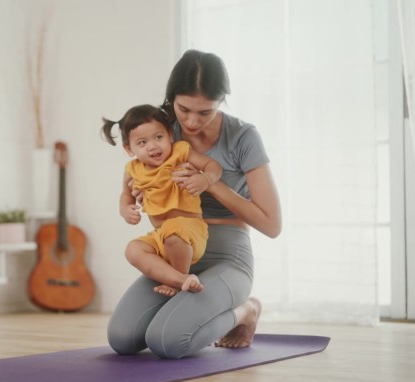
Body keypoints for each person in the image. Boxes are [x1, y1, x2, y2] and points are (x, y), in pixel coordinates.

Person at [107, 49, 282, 359]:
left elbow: (272, 225)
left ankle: (246, 310)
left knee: (168, 341)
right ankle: (187, 294)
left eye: (205, 112)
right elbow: (158, 209)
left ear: (221, 101)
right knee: (123, 338)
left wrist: (211, 183)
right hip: (176, 253)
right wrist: (140, 196)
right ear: (171, 98)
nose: (191, 121)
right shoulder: (160, 133)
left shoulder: (242, 137)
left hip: (228, 254)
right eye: (183, 109)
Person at [101, 104, 223, 297]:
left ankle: (176, 281)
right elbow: (126, 195)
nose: (153, 146)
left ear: (170, 136)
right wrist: (125, 210)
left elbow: (213, 166)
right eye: (142, 143)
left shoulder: (180, 153)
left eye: (158, 137)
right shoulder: (133, 170)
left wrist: (205, 179)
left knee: (173, 233)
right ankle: (182, 279)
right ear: (129, 149)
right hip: (161, 235)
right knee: (133, 250)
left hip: (189, 232)